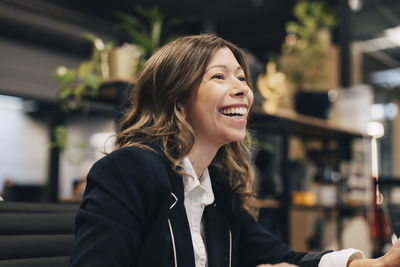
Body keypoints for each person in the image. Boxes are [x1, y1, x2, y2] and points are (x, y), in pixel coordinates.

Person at [69, 34, 400, 267]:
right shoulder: (129, 170)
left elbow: (278, 257)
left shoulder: (218, 189)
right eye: (219, 76)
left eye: (242, 78)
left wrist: (370, 265)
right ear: (179, 103)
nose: (242, 88)